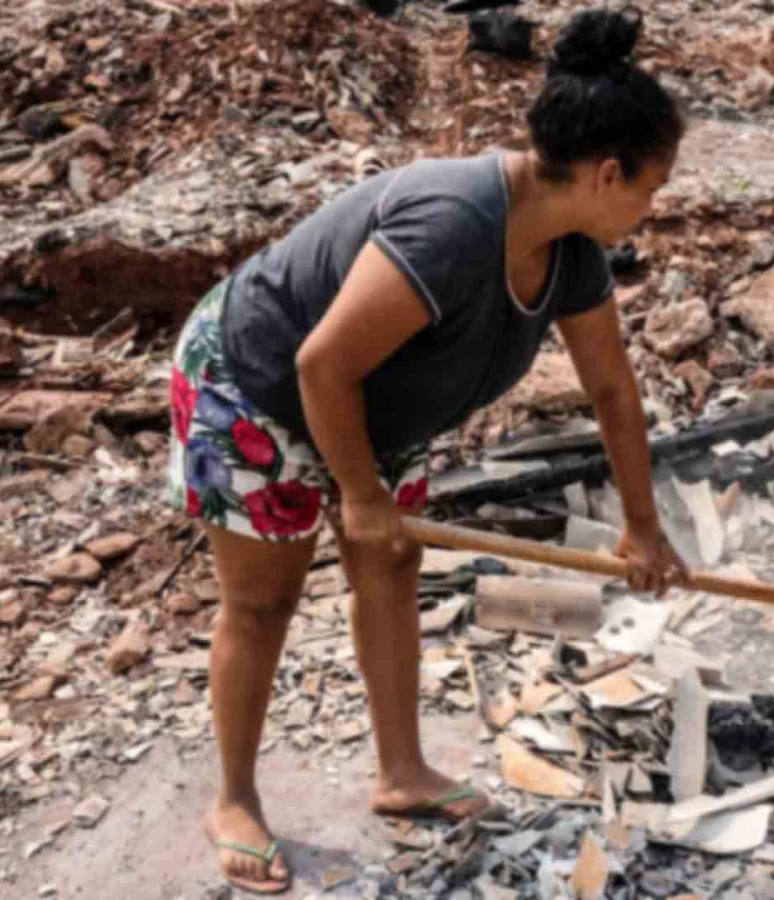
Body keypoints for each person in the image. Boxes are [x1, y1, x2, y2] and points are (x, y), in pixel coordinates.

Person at [164, 7, 688, 894]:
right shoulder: (451, 224)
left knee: (393, 569)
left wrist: (643, 527)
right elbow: (322, 361)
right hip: (256, 382)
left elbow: (611, 390)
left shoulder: (570, 251)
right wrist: (360, 500)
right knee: (264, 603)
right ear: (607, 173)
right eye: (649, 189)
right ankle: (235, 799)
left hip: (372, 406)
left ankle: (400, 774)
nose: (650, 209)